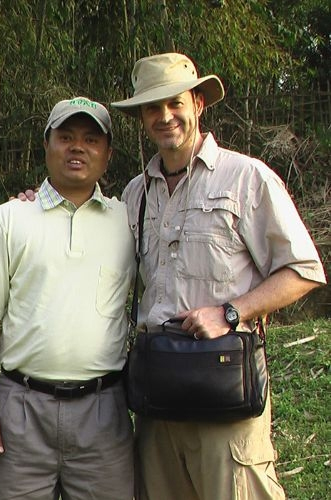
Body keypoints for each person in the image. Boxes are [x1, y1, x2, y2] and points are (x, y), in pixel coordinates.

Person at [109, 53, 327, 500]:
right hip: (158, 403)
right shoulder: (135, 194)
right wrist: (38, 199)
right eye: (152, 108)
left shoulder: (246, 178)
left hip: (225, 396)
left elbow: (303, 270)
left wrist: (231, 312)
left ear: (199, 104)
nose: (165, 116)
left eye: (175, 103)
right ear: (142, 118)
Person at [0, 97, 135, 499]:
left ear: (107, 155)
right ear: (47, 145)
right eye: (66, 137)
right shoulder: (9, 220)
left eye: (91, 139)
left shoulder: (128, 220)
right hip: (21, 412)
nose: (78, 147)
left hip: (103, 411)